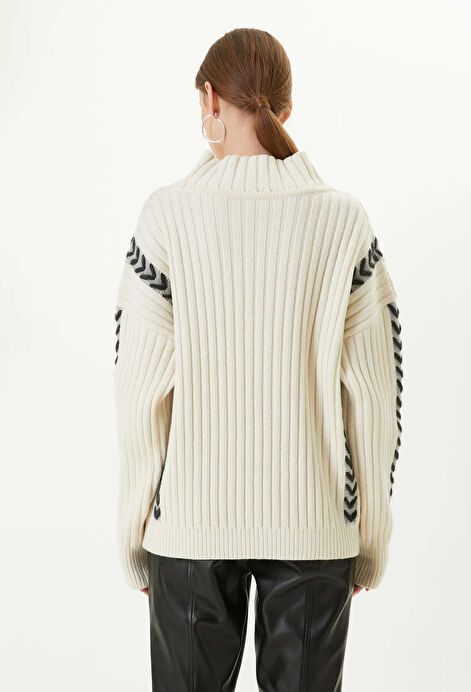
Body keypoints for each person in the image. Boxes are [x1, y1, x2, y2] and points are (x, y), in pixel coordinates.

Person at [112, 27, 403, 692]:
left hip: (188, 529)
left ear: (210, 98)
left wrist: (136, 533)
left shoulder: (166, 218)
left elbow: (137, 395)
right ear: (286, 108)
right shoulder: (343, 223)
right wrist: (369, 541)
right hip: (315, 531)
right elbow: (376, 396)